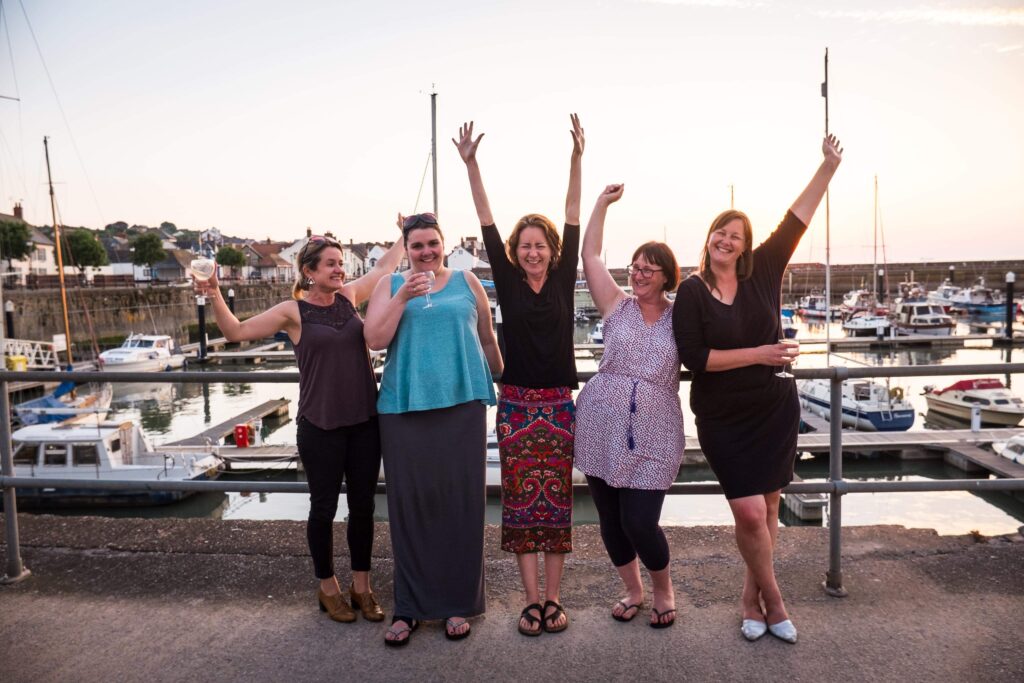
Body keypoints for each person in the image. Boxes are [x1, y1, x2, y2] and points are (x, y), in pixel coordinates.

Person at [672, 134, 844, 644]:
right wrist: (761, 353)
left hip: (773, 409)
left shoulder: (764, 271)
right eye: (721, 233)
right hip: (723, 417)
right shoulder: (691, 290)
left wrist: (827, 167)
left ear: (746, 246)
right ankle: (776, 601)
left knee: (767, 510)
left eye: (737, 236)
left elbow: (797, 216)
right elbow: (696, 358)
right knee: (749, 510)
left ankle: (751, 598)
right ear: (709, 237)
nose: (727, 241)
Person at [193, 227, 404, 625]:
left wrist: (404, 233)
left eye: (341, 263)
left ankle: (362, 585)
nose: (339, 269)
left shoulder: (349, 297)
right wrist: (215, 292)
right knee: (322, 509)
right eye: (331, 264)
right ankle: (327, 587)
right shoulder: (294, 311)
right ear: (309, 271)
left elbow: (385, 267)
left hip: (364, 422)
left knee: (362, 507)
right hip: (319, 426)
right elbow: (235, 332)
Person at [452, 114, 583, 637]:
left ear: (552, 251)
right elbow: (485, 218)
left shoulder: (562, 277)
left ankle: (554, 599)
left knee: (557, 507)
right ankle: (531, 602)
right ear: (515, 252)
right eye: (524, 245)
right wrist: (471, 164)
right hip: (515, 407)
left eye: (540, 245)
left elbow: (573, 214)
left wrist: (577, 159)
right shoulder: (505, 280)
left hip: (558, 405)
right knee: (523, 505)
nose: (532, 252)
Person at [363, 213, 503, 647]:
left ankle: (457, 602)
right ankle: (409, 607)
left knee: (461, 506)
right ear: (405, 248)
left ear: (444, 244)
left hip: (461, 405)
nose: (426, 252)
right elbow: (374, 339)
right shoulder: (388, 285)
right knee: (410, 508)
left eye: (432, 243)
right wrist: (403, 293)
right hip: (404, 408)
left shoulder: (467, 282)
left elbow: (487, 340)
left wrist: (505, 380)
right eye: (417, 245)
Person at [574, 183, 685, 629]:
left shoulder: (683, 316)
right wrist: (601, 204)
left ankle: (663, 589)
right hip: (601, 421)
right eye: (636, 267)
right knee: (611, 521)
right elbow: (592, 257)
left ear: (665, 276)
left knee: (640, 522)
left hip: (656, 428)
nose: (638, 275)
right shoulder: (616, 307)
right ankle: (633, 589)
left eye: (649, 269)